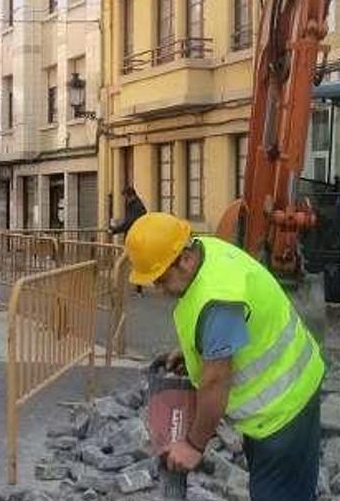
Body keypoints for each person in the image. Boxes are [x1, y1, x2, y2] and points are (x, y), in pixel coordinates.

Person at [125, 213, 326, 500]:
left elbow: (216, 382)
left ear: (183, 258)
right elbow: (221, 335)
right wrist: (196, 351)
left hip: (283, 412)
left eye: (161, 278)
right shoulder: (206, 250)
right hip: (283, 400)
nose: (159, 288)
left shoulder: (217, 300)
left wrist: (193, 446)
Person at [110, 186, 148, 294]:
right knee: (134, 262)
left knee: (132, 262)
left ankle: (135, 288)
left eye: (125, 196)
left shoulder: (136, 206)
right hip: (135, 236)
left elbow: (129, 223)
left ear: (129, 195)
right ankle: (137, 288)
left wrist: (114, 230)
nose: (125, 199)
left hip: (135, 238)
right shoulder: (134, 204)